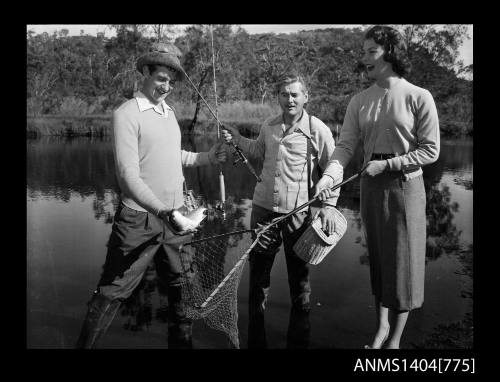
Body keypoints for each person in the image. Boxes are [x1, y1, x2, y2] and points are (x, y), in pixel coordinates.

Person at [75, 42, 227, 349]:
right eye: (161, 78)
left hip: (177, 215)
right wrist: (163, 212)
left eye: (171, 81)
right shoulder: (126, 114)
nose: (167, 86)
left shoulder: (168, 112)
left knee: (183, 287)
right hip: (139, 221)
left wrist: (208, 157)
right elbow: (127, 175)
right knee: (113, 291)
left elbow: (174, 156)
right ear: (145, 72)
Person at [315, 25, 440, 349]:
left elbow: (431, 150)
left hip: (405, 190)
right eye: (364, 50)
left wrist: (388, 164)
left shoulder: (418, 97)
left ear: (391, 53)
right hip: (371, 190)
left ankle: (395, 342)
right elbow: (344, 147)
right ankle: (381, 328)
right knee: (380, 263)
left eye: (372, 51)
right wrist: (328, 178)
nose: (364, 57)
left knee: (404, 265)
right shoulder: (360, 100)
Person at [221, 73, 340, 348]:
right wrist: (237, 138)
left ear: (305, 97)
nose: (289, 99)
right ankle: (256, 323)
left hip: (298, 214)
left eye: (295, 94)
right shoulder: (269, 125)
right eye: (284, 94)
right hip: (263, 208)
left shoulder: (317, 129)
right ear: (278, 97)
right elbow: (258, 151)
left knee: (298, 274)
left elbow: (334, 168)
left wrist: (328, 207)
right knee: (259, 270)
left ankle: (301, 325)